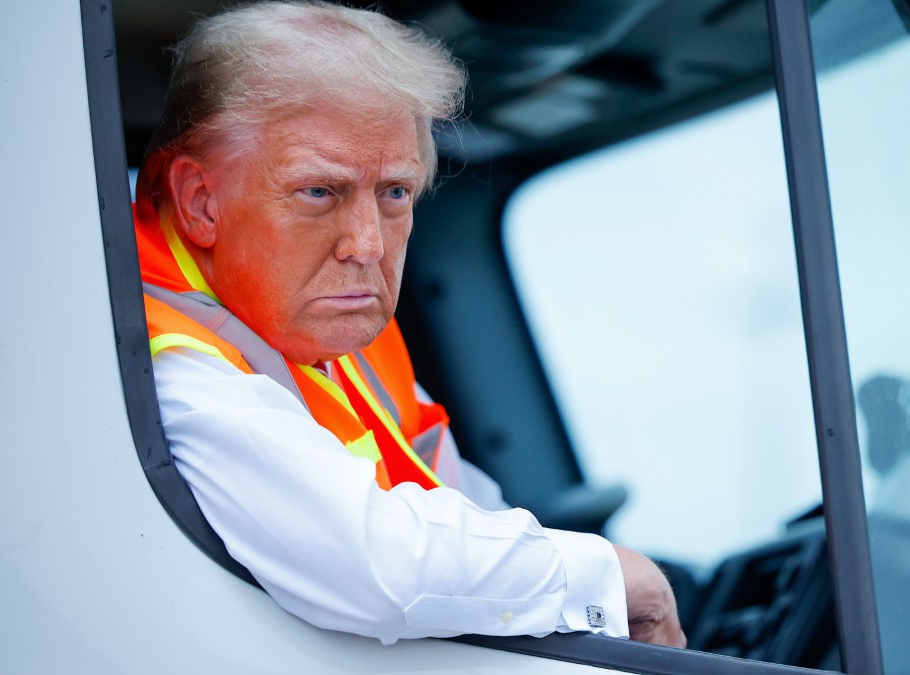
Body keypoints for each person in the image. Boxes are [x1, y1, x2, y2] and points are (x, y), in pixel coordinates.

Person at [132, 0, 684, 648]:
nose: (367, 243)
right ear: (201, 202)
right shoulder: (163, 365)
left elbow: (473, 514)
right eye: (319, 192)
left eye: (394, 192)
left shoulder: (341, 342)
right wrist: (611, 578)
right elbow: (382, 568)